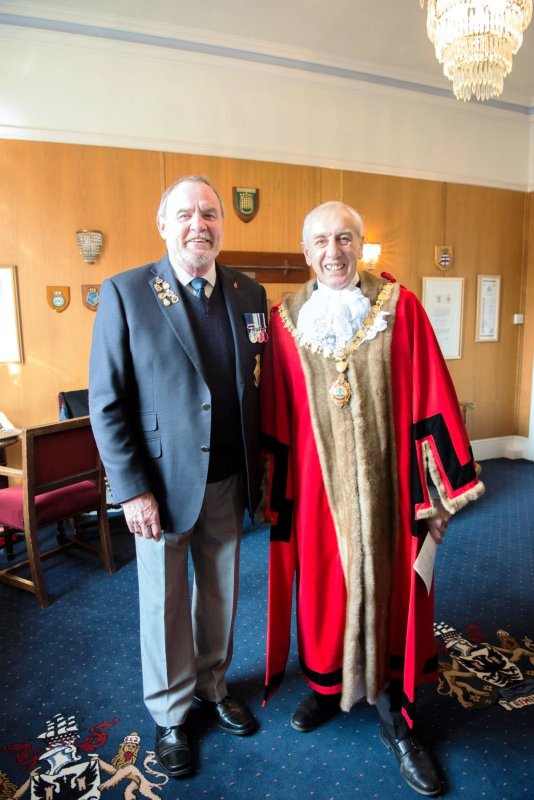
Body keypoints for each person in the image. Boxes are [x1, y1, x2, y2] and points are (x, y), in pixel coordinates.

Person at [259, 201, 484, 797]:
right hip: (316, 495)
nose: (333, 251)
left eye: (344, 238)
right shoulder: (284, 321)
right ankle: (327, 687)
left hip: (391, 491)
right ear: (305, 252)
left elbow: (433, 388)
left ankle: (398, 719)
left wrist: (438, 492)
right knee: (324, 592)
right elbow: (276, 412)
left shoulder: (399, 307)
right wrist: (274, 493)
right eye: (321, 242)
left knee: (393, 596)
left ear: (360, 245)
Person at [89, 175, 268, 779]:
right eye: (186, 213)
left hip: (227, 476)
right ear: (163, 223)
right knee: (163, 602)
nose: (200, 224)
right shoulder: (126, 292)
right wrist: (131, 489)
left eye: (211, 213)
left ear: (223, 223)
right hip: (160, 487)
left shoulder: (248, 291)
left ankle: (213, 685)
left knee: (220, 589)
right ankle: (170, 714)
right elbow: (107, 403)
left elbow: (257, 385)